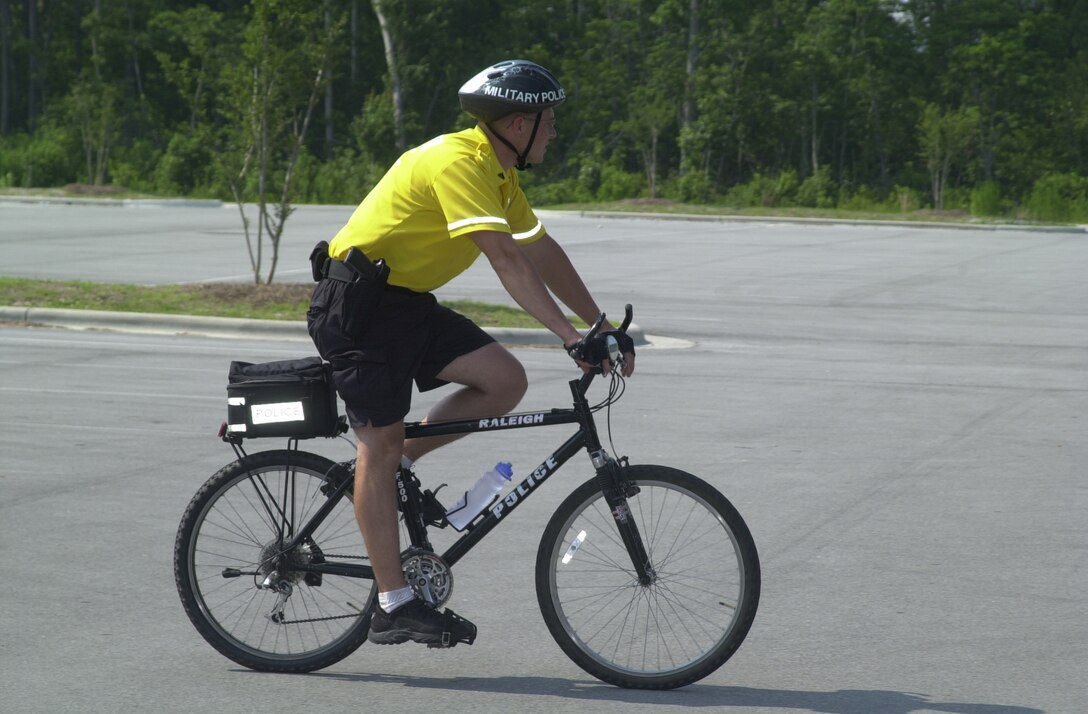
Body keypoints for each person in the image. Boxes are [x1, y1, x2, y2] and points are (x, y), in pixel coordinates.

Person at [306, 59, 635, 648]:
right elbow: (505, 260)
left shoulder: (500, 174)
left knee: (503, 380)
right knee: (377, 446)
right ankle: (392, 603)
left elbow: (539, 250)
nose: (555, 130)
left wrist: (599, 323)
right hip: (356, 306)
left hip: (403, 305)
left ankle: (391, 469)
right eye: (548, 119)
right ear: (516, 124)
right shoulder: (460, 162)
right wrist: (568, 337)